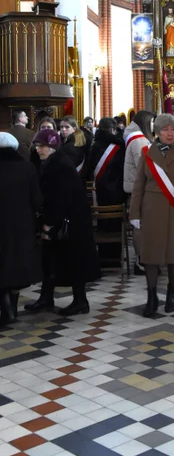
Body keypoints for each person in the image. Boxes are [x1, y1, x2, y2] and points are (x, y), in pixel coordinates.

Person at [129, 114, 174, 316]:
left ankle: (172, 292)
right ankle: (152, 296)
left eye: (172, 129)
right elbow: (139, 185)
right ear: (157, 132)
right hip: (151, 210)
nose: (169, 133)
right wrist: (135, 212)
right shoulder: (147, 152)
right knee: (150, 256)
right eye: (164, 130)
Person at [25, 129, 100, 315]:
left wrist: (48, 224)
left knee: (73, 262)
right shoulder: (52, 162)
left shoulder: (60, 165)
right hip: (64, 220)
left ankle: (80, 301)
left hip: (71, 222)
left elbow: (60, 198)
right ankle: (46, 298)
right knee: (50, 259)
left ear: (52, 147)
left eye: (42, 146)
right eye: (37, 146)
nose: (38, 149)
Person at [0, 133, 42, 325]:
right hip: (21, 225)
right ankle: (12, 311)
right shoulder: (27, 167)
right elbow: (37, 200)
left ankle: (7, 310)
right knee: (16, 266)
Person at [86, 117, 126, 266]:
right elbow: (123, 169)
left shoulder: (94, 146)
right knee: (115, 223)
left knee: (102, 225)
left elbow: (89, 169)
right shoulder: (120, 146)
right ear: (113, 129)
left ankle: (103, 258)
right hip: (116, 191)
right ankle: (116, 258)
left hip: (100, 191)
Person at [123, 110, 155, 275]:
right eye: (152, 123)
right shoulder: (139, 141)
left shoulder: (139, 139)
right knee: (141, 226)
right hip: (141, 191)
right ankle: (141, 261)